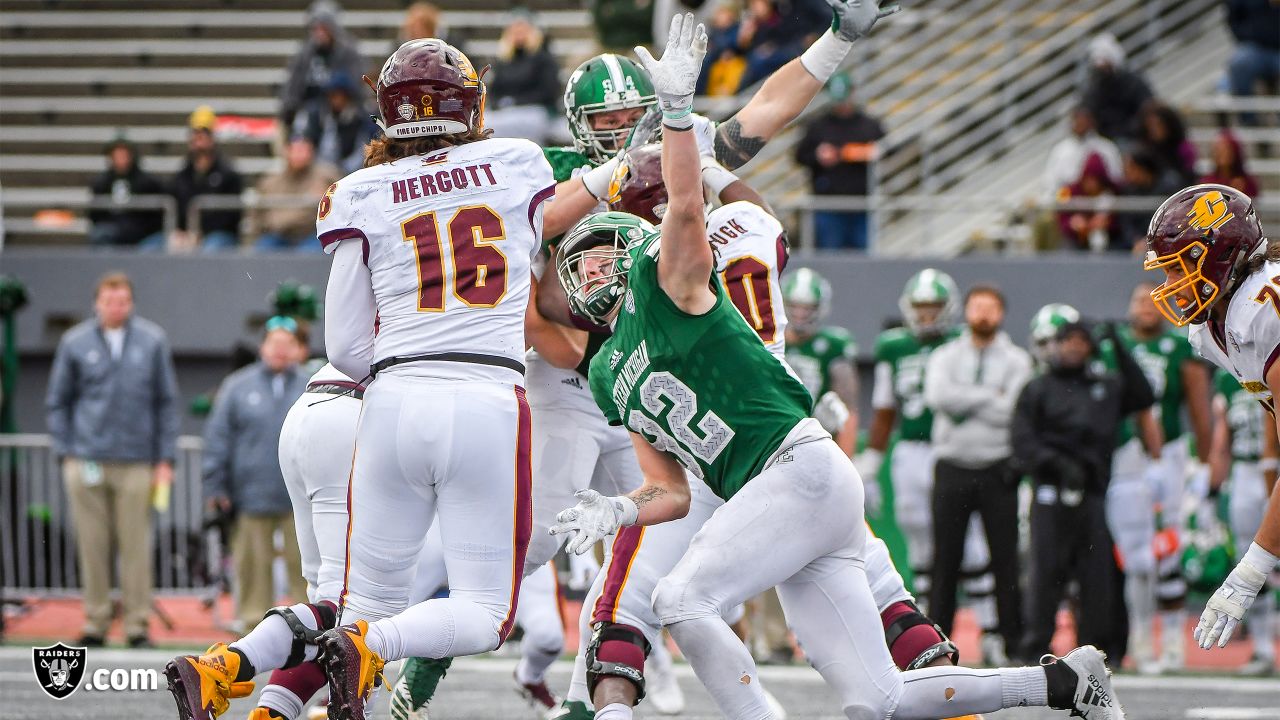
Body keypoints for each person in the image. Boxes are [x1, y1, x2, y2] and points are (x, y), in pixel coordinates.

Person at [550, 14, 1124, 720]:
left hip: (776, 454)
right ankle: (1059, 685)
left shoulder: (670, 265)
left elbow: (709, 178)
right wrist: (614, 505)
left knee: (664, 601)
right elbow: (659, 477)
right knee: (876, 692)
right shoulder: (620, 348)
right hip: (749, 451)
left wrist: (678, 123)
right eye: (582, 262)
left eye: (603, 252)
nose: (590, 268)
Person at [306, 37, 553, 719]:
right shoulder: (517, 163)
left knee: (359, 599)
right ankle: (378, 645)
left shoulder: (359, 192)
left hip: (392, 399)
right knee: (484, 614)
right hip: (486, 397)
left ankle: (293, 691)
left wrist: (402, 364)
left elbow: (345, 346)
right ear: (470, 104)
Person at [167, 361, 363, 720]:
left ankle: (272, 710)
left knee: (333, 600)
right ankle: (224, 664)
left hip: (311, 406)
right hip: (358, 415)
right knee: (363, 611)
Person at [1141, 183, 1280, 655]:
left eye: (1180, 266)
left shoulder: (1265, 310)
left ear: (1220, 256)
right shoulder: (1214, 328)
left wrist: (1251, 570)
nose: (1171, 283)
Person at [856, 269, 1002, 664]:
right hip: (908, 450)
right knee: (918, 536)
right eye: (920, 308)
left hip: (951, 450)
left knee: (971, 544)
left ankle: (990, 629)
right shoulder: (894, 346)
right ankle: (925, 624)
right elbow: (885, 406)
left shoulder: (962, 341)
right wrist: (871, 460)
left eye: (933, 308)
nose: (926, 316)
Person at [46, 272, 179, 648]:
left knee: (136, 546)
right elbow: (58, 401)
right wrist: (67, 452)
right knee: (92, 544)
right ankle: (96, 621)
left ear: (131, 303)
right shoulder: (74, 342)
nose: (115, 307)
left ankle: (137, 625)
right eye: (108, 301)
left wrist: (164, 459)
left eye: (121, 301)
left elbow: (166, 403)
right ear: (97, 303)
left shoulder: (152, 341)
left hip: (138, 461)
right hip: (86, 459)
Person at [1013, 319, 1154, 664]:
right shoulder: (1038, 387)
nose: (1074, 348)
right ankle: (1035, 648)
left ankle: (1095, 650)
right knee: (1045, 573)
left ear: (1091, 347)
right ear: (1057, 346)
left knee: (1097, 576)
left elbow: (1143, 395)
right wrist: (1056, 464)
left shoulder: (1104, 386)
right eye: (1068, 341)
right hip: (1051, 490)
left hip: (1092, 493)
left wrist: (1120, 348)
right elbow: (1022, 441)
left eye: (1081, 341)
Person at [1102, 283, 1213, 672]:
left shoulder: (1178, 347)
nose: (1144, 308)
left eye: (1152, 301)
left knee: (1169, 552)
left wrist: (1203, 459)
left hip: (1170, 454)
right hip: (1126, 458)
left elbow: (1200, 407)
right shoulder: (1112, 349)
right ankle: (1139, 639)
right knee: (1137, 557)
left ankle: (1171, 641)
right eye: (1137, 300)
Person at [922, 284, 1031, 663]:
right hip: (952, 465)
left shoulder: (1017, 359)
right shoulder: (945, 355)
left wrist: (964, 399)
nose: (983, 314)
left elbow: (1013, 410)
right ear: (965, 311)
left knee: (1005, 560)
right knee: (944, 561)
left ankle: (1012, 642)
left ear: (1001, 314)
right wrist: (990, 396)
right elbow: (937, 397)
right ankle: (936, 642)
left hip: (997, 467)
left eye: (990, 308)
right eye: (977, 307)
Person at [202, 317, 309, 632]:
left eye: (287, 344)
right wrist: (215, 486)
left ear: (297, 349)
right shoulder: (237, 386)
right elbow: (217, 439)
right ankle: (253, 627)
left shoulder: (311, 383)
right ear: (262, 346)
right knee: (251, 567)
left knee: (306, 568)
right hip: (250, 494)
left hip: (300, 497)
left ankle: (313, 625)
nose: (280, 350)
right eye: (274, 343)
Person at [1209, 366, 1279, 675]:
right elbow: (1222, 438)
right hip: (1244, 472)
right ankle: (1262, 647)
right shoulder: (1226, 377)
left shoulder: (1269, 364)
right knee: (1246, 559)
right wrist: (1210, 484)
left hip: (1273, 469)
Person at [793, 73, 884, 250]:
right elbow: (800, 155)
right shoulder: (818, 126)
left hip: (861, 203)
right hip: (828, 203)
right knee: (830, 255)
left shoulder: (869, 125)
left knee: (863, 258)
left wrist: (856, 154)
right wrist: (818, 156)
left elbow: (886, 149)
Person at [780, 267, 860, 456]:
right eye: (795, 306)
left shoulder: (833, 345)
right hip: (774, 436)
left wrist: (845, 459)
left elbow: (848, 409)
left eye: (808, 308)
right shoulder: (768, 340)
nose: (800, 314)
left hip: (817, 440)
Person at [279, 0, 366, 130]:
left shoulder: (348, 51)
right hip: (310, 107)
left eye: (324, 28)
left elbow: (357, 84)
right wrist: (289, 107)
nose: (319, 33)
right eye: (316, 28)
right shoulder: (305, 52)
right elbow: (294, 83)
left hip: (340, 107)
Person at [483, 12, 564, 145]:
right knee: (485, 123)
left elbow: (548, 92)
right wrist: (501, 104)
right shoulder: (503, 61)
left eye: (523, 30)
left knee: (530, 122)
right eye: (515, 30)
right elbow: (494, 91)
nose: (519, 34)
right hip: (506, 111)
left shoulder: (544, 59)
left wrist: (515, 102)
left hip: (535, 110)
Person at [170, 109, 244, 251]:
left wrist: (202, 233)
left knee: (211, 247)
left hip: (219, 235)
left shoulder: (227, 174)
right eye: (196, 134)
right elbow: (177, 205)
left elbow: (231, 215)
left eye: (203, 134)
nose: (199, 140)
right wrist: (182, 231)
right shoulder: (183, 174)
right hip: (189, 233)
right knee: (172, 244)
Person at [249, 137, 339, 252]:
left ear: (311, 152)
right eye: (296, 150)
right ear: (286, 151)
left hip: (313, 235)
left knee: (308, 255)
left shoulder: (327, 177)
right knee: (260, 251)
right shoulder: (270, 182)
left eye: (303, 150)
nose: (300, 155)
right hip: (276, 235)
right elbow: (256, 214)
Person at [292, 73, 377, 176]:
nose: (335, 100)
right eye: (332, 95)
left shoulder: (362, 118)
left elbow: (367, 148)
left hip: (355, 171)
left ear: (347, 96)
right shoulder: (319, 116)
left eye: (339, 95)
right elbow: (308, 141)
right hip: (324, 171)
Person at [88, 137, 166, 247]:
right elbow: (95, 214)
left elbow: (155, 216)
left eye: (124, 154)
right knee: (101, 235)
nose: (121, 158)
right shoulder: (102, 183)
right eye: (117, 154)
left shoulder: (147, 183)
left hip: (141, 233)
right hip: (112, 232)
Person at [1081, 33, 1152, 143]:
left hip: (1136, 137)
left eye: (1105, 63)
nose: (1102, 69)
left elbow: (1147, 107)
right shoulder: (1093, 91)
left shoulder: (1133, 82)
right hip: (1109, 141)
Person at [1043, 105, 1123, 203]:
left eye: (1083, 120)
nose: (1080, 123)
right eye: (1077, 120)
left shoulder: (1106, 148)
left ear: (1091, 122)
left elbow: (1115, 178)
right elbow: (1052, 183)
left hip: (1101, 203)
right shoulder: (1060, 150)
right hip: (1068, 203)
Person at [1223, 0, 1280, 121]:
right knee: (1239, 63)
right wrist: (1249, 34)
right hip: (1254, 46)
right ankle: (1248, 120)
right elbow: (1233, 19)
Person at [1057, 152, 1118, 252]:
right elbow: (1062, 218)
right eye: (1087, 179)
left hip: (1109, 243)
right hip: (1075, 241)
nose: (1090, 184)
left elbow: (1120, 223)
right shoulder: (1070, 191)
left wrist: (1108, 224)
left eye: (1094, 179)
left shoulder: (1112, 193)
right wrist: (1072, 224)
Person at [1134, 102, 1197, 191]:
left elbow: (1188, 177)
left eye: (1158, 125)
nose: (1154, 130)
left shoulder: (1183, 148)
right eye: (1150, 125)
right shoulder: (1145, 149)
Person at [1200, 130, 1260, 199]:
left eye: (1225, 150)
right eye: (1217, 150)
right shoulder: (1208, 182)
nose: (1220, 154)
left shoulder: (1247, 182)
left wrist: (1239, 194)